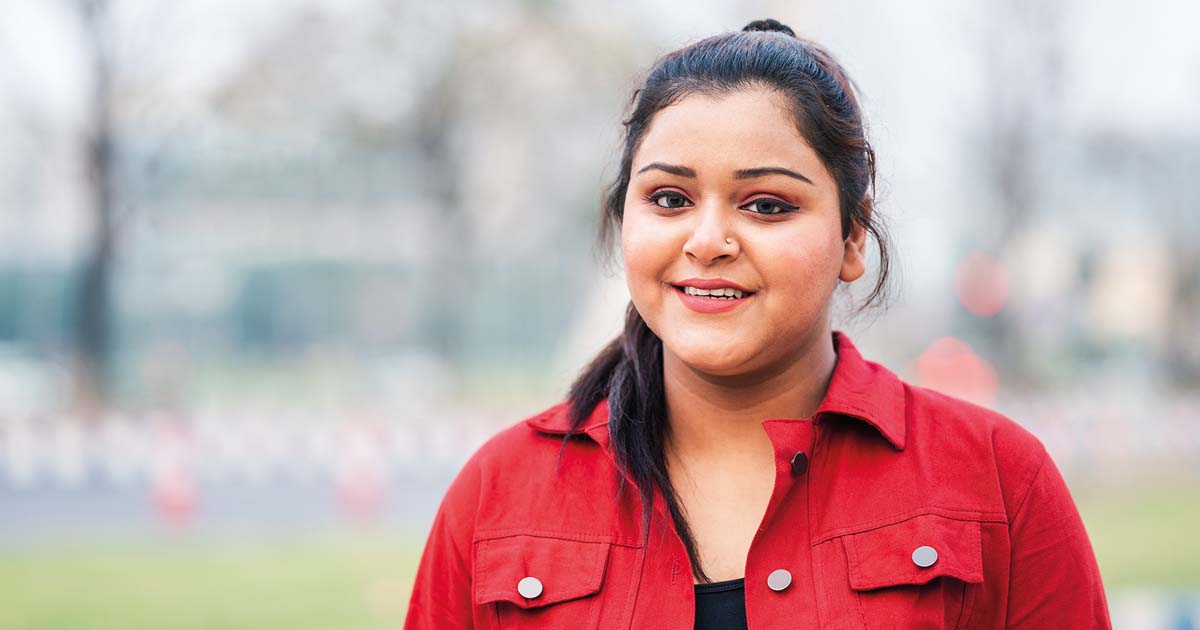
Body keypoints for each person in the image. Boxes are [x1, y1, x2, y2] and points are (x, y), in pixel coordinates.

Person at [404, 18, 1111, 630]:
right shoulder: (499, 494)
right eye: (670, 198)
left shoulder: (997, 484)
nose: (708, 240)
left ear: (853, 238)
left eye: (767, 205)